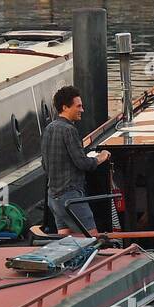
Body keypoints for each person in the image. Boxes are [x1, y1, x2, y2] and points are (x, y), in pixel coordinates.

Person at [41, 86, 111, 235]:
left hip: (53, 197)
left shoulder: (49, 129)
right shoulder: (69, 130)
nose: (82, 110)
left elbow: (44, 165)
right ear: (65, 107)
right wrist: (101, 157)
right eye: (78, 106)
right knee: (92, 239)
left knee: (65, 244)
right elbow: (82, 163)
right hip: (71, 198)